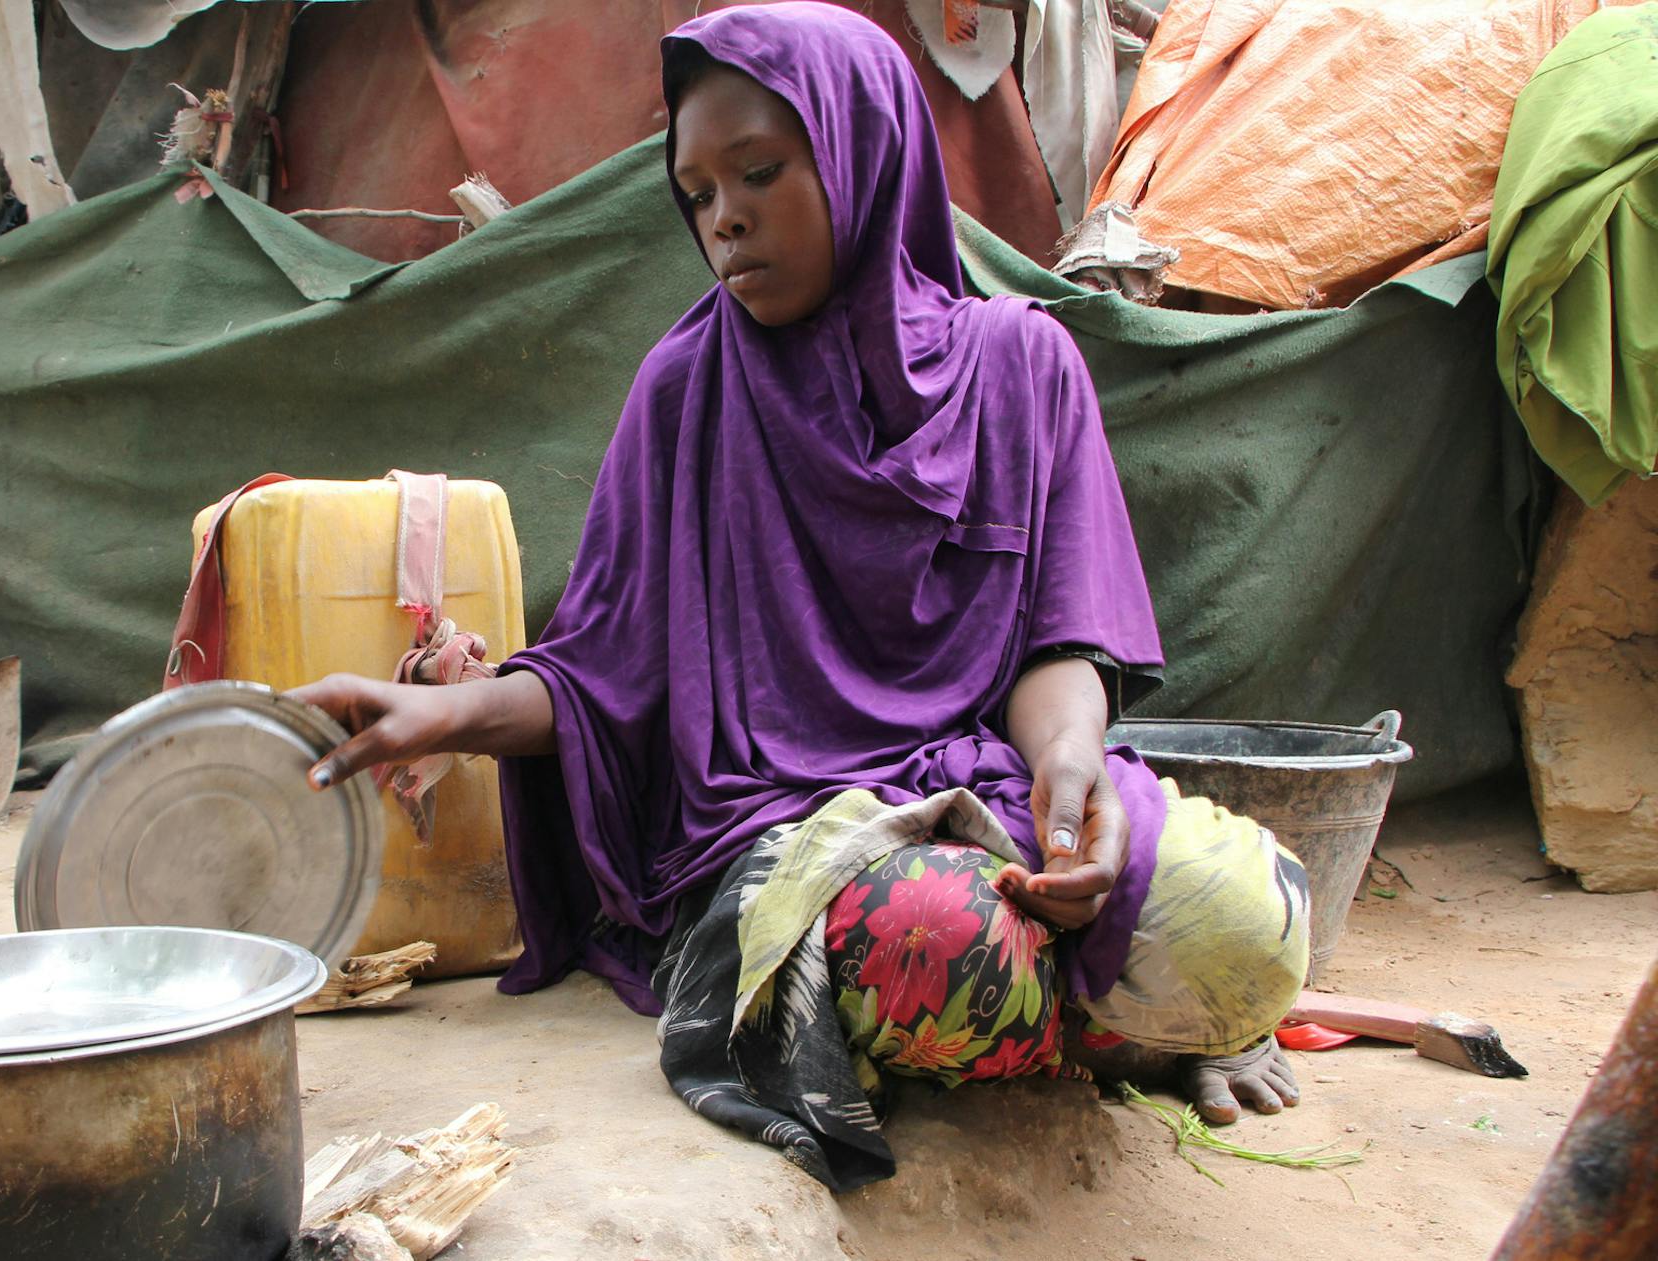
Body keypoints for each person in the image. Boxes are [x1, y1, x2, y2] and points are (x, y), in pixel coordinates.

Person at [292, 2, 1308, 1191]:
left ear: (864, 147)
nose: (723, 217)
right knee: (942, 943)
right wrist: (449, 719)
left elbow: (1058, 643)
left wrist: (1072, 773)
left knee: (1254, 908)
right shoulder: (686, 389)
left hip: (993, 793)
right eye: (697, 194)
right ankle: (1125, 1020)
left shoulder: (1023, 366)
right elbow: (605, 674)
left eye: (760, 173)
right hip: (787, 834)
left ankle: (1108, 1003)